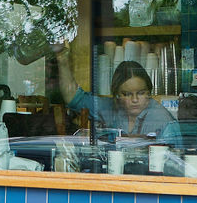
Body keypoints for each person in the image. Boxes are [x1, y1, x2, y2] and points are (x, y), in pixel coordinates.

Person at [53, 48, 184, 149]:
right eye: (126, 94)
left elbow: (177, 159)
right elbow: (73, 98)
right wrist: (62, 58)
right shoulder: (111, 108)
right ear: (116, 96)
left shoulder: (164, 121)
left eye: (141, 93)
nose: (134, 99)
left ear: (149, 92)